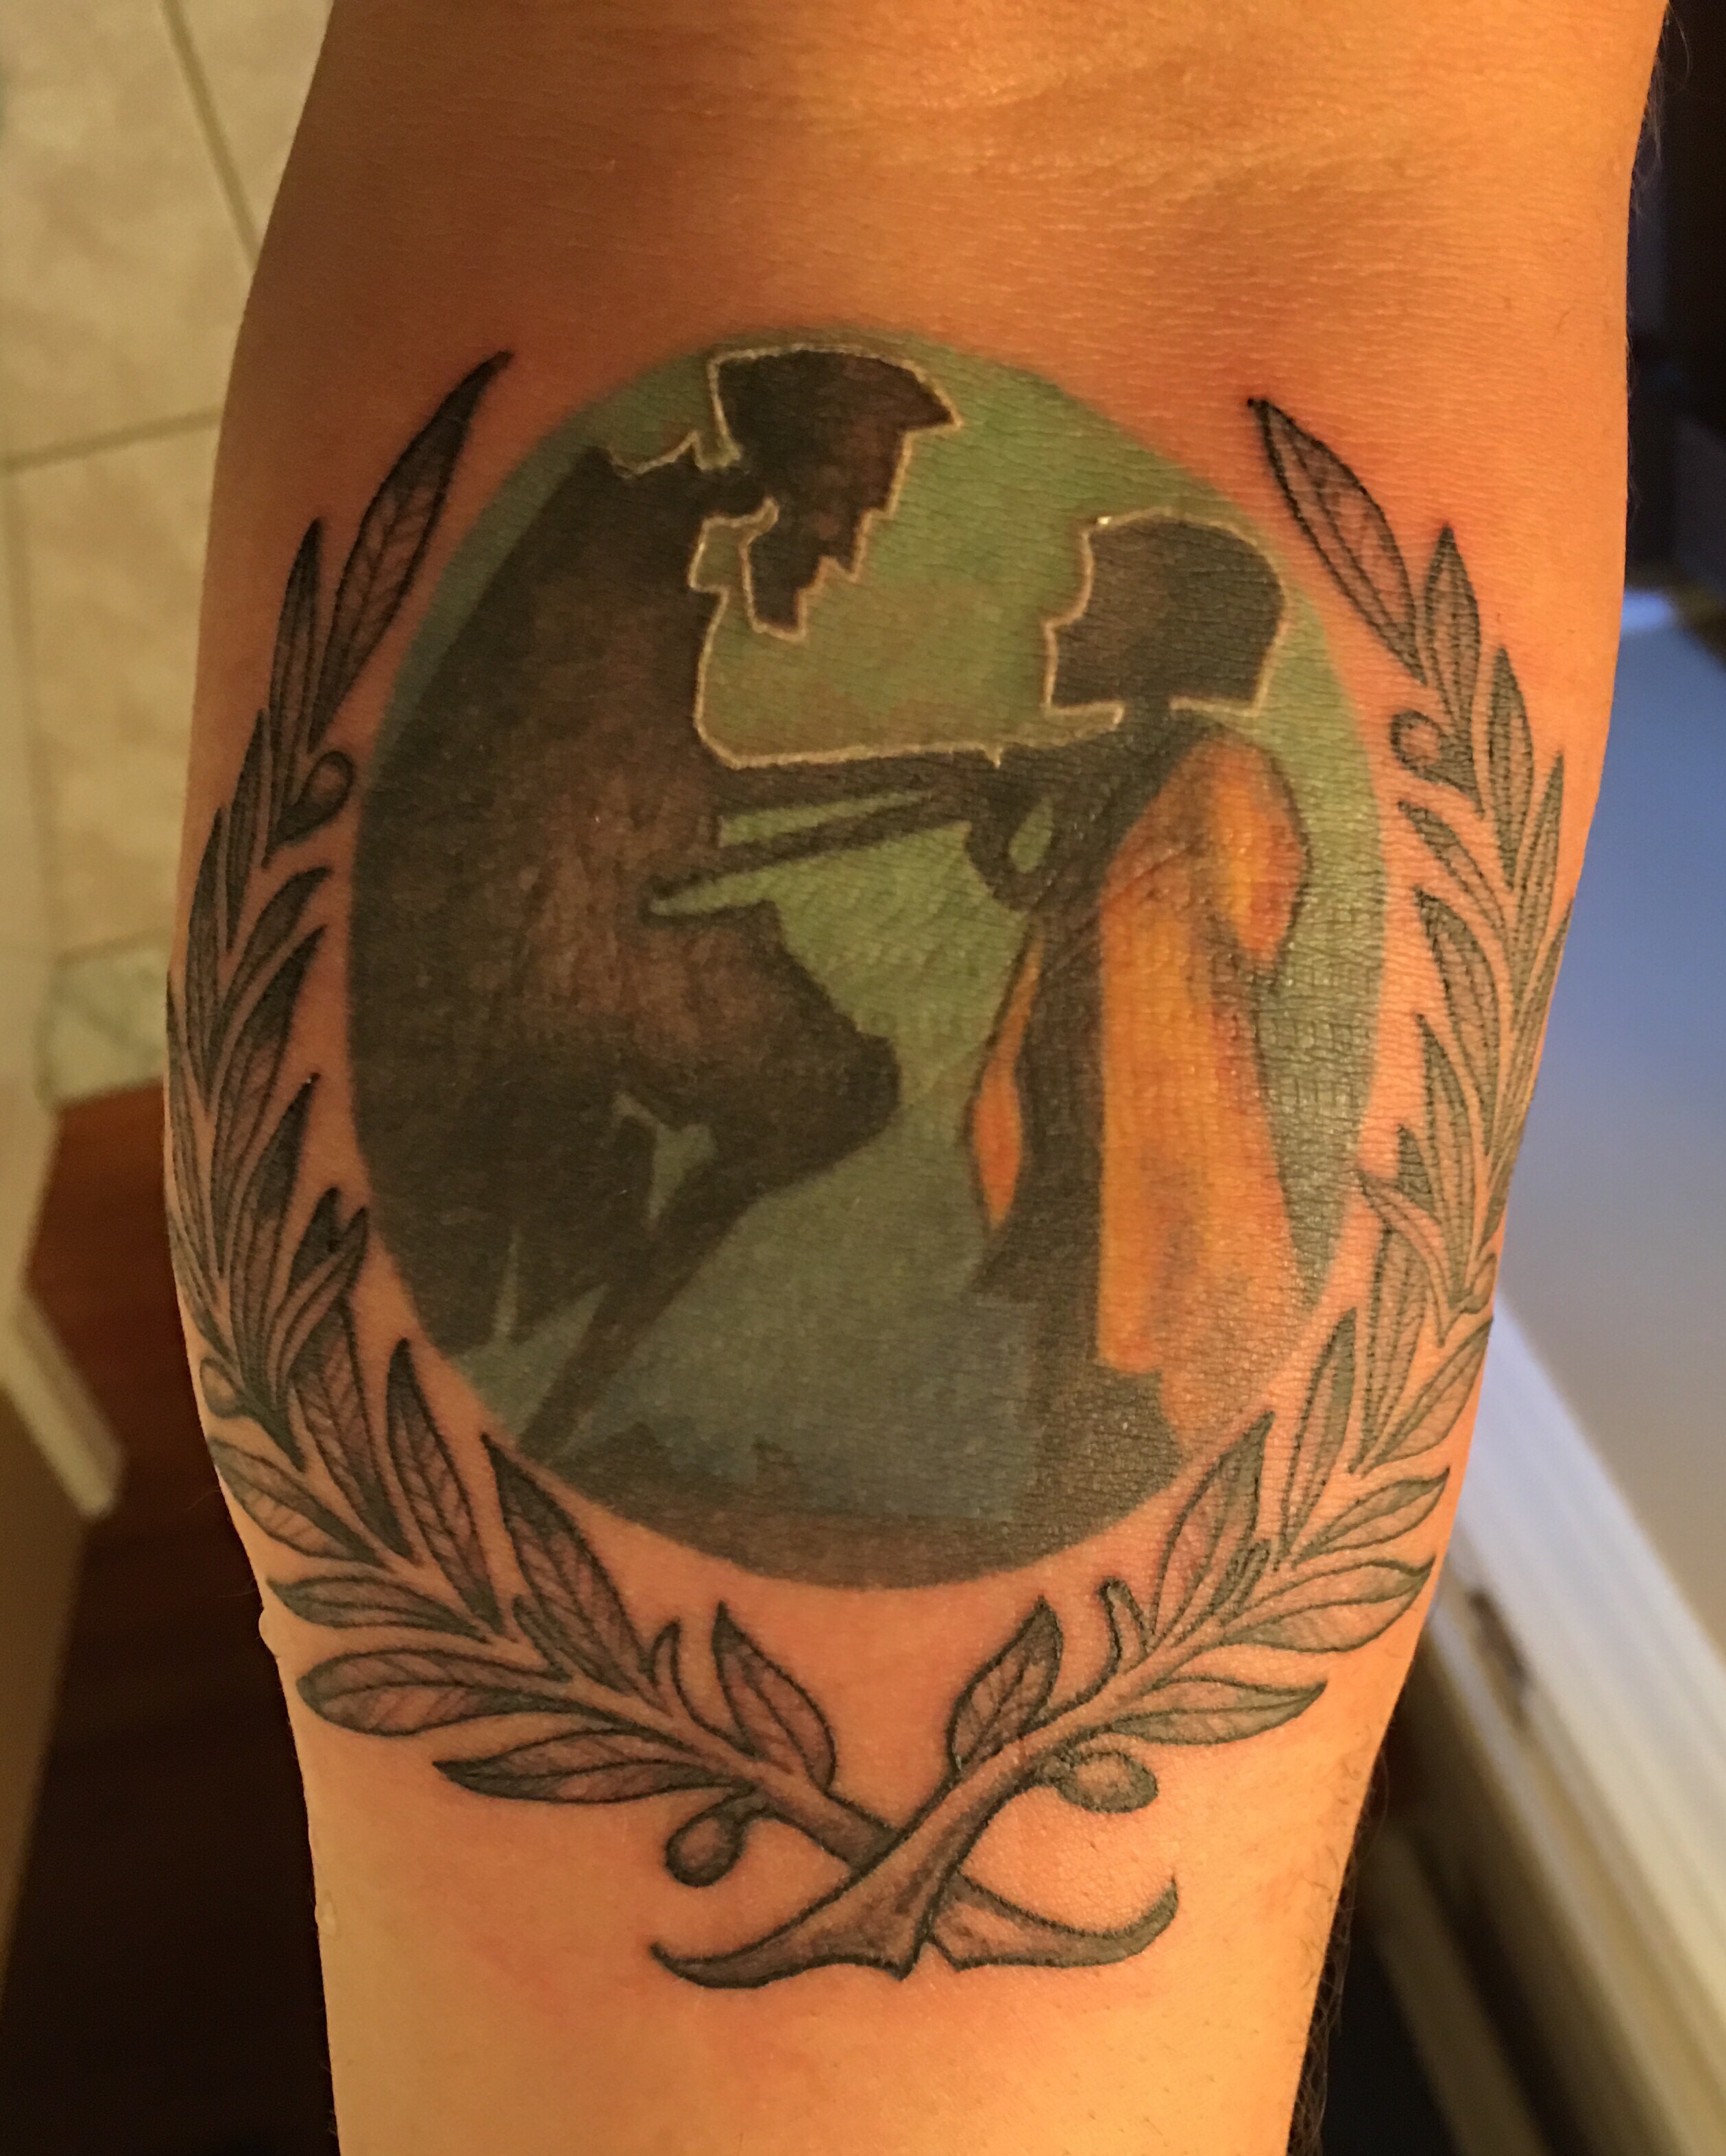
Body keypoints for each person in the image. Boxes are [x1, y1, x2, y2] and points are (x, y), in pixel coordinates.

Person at [173, 3, 1666, 2151]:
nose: (1037, 626)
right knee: (837, 1118)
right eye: (861, 500)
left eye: (1083, 619)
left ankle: (608, 1341)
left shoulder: (1192, 784)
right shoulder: (677, 574)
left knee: (879, 1154)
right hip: (718, 1002)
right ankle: (605, 1336)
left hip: (1112, 1190)